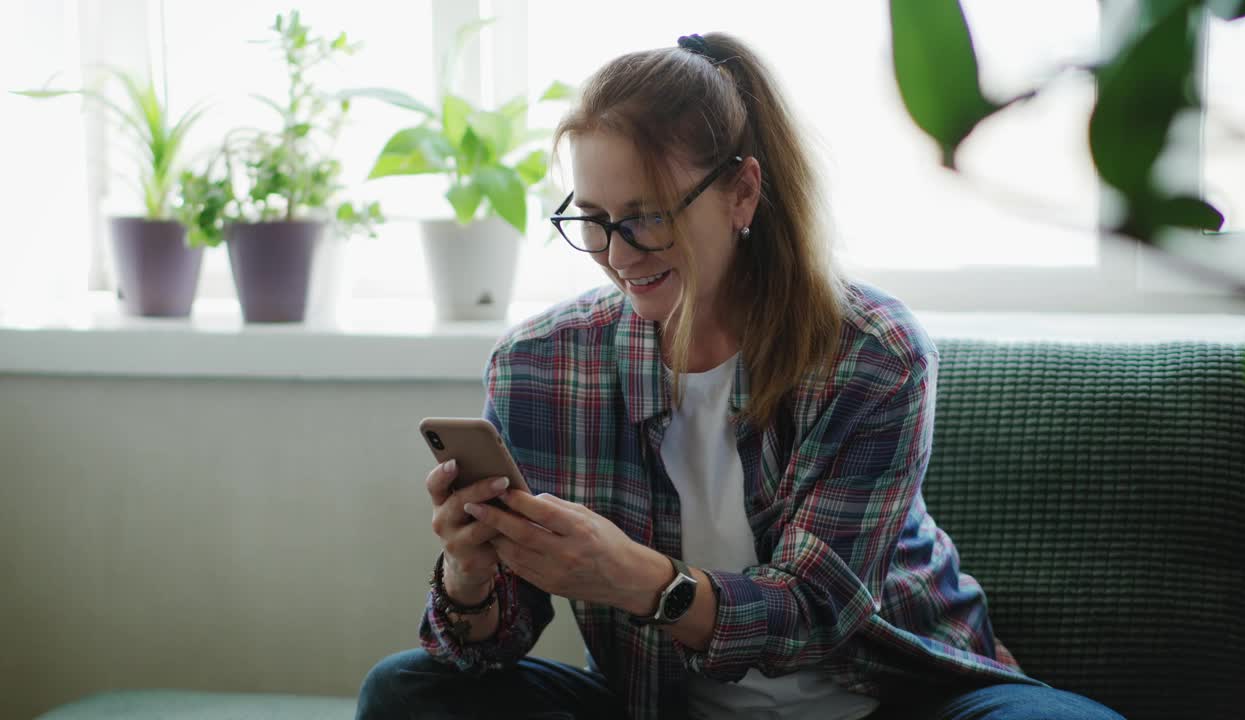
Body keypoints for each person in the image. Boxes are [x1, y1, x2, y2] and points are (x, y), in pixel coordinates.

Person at [357, 32, 1125, 720]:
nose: (618, 254)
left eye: (648, 215)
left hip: (899, 697)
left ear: (742, 193)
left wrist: (643, 581)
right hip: (661, 704)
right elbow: (494, 647)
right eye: (591, 219)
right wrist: (469, 572)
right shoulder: (540, 367)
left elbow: (819, 612)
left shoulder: (871, 352)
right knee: (405, 693)